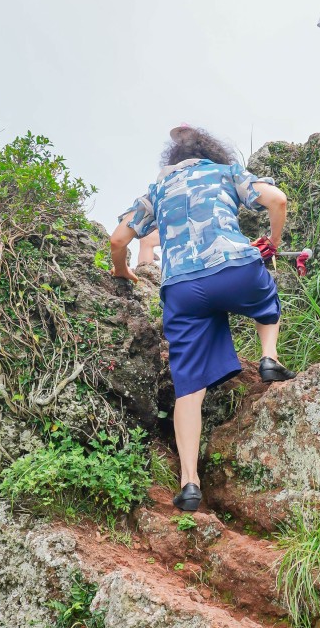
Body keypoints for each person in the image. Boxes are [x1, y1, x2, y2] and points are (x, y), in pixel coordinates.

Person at [110, 126, 294, 513]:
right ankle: (269, 358)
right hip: (233, 268)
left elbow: (117, 241)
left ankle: (189, 483)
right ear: (210, 151)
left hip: (182, 291)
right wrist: (272, 245)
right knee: (266, 298)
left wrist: (122, 271)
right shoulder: (225, 172)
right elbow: (277, 200)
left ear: (171, 161)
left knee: (189, 390)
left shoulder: (156, 191)